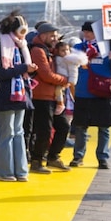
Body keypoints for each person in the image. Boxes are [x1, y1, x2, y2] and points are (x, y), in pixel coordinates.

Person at [0, 11, 38, 182]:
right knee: (7, 131)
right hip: (5, 95)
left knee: (18, 131)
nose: (23, 34)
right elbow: (1, 73)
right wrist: (25, 68)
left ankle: (20, 170)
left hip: (21, 94)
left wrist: (30, 70)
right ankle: (2, 171)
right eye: (21, 30)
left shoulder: (22, 46)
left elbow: (23, 70)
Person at [70, 21, 111, 169]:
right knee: (80, 126)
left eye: (90, 32)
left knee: (104, 127)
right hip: (83, 91)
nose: (86, 34)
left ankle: (102, 157)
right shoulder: (78, 47)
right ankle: (78, 156)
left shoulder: (109, 47)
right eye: (85, 32)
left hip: (104, 92)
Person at [27, 23, 71, 173]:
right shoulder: (38, 51)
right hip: (41, 96)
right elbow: (45, 74)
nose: (55, 38)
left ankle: (53, 156)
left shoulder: (49, 50)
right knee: (44, 131)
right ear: (43, 35)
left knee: (63, 127)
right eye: (52, 36)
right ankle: (37, 161)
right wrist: (65, 80)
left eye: (56, 36)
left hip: (52, 96)